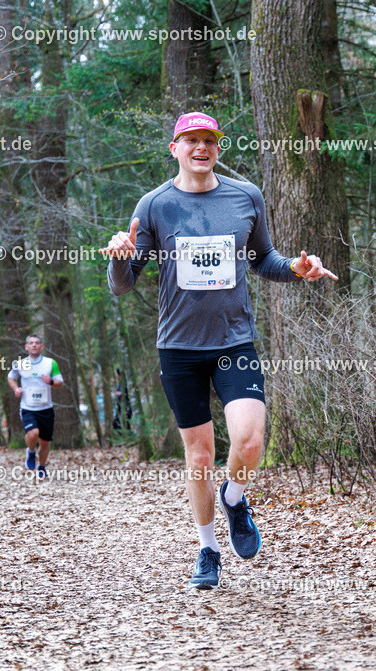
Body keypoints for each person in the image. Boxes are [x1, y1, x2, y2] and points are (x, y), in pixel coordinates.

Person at [100, 112, 338, 589]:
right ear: (175, 148)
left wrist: (295, 267)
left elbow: (263, 259)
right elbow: (123, 286)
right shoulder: (154, 206)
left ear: (218, 148)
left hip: (234, 341)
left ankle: (234, 497)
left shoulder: (245, 196)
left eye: (209, 140)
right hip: (179, 348)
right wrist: (120, 259)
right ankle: (208, 550)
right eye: (191, 140)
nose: (201, 148)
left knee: (250, 440)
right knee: (200, 456)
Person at [7, 334, 64, 479]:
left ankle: (42, 467)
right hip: (28, 408)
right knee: (33, 433)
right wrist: (16, 389)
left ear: (41, 346)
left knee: (45, 442)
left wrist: (50, 381)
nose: (34, 345)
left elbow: (60, 382)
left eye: (37, 343)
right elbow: (10, 377)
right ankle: (31, 451)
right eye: (31, 343)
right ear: (26, 347)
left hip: (46, 408)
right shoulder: (20, 364)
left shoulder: (50, 363)